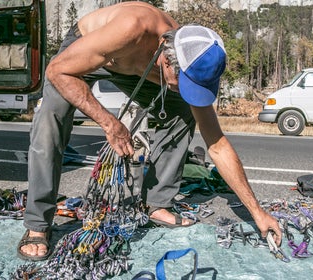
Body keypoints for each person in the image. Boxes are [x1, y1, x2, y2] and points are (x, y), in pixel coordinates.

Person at [17, 1, 282, 261]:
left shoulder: (193, 61)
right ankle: (37, 223)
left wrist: (256, 211)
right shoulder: (131, 28)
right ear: (167, 60)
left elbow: (217, 144)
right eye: (183, 83)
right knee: (50, 118)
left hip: (133, 68)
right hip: (89, 53)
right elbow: (57, 71)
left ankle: (157, 203)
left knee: (182, 111)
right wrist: (110, 123)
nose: (184, 90)